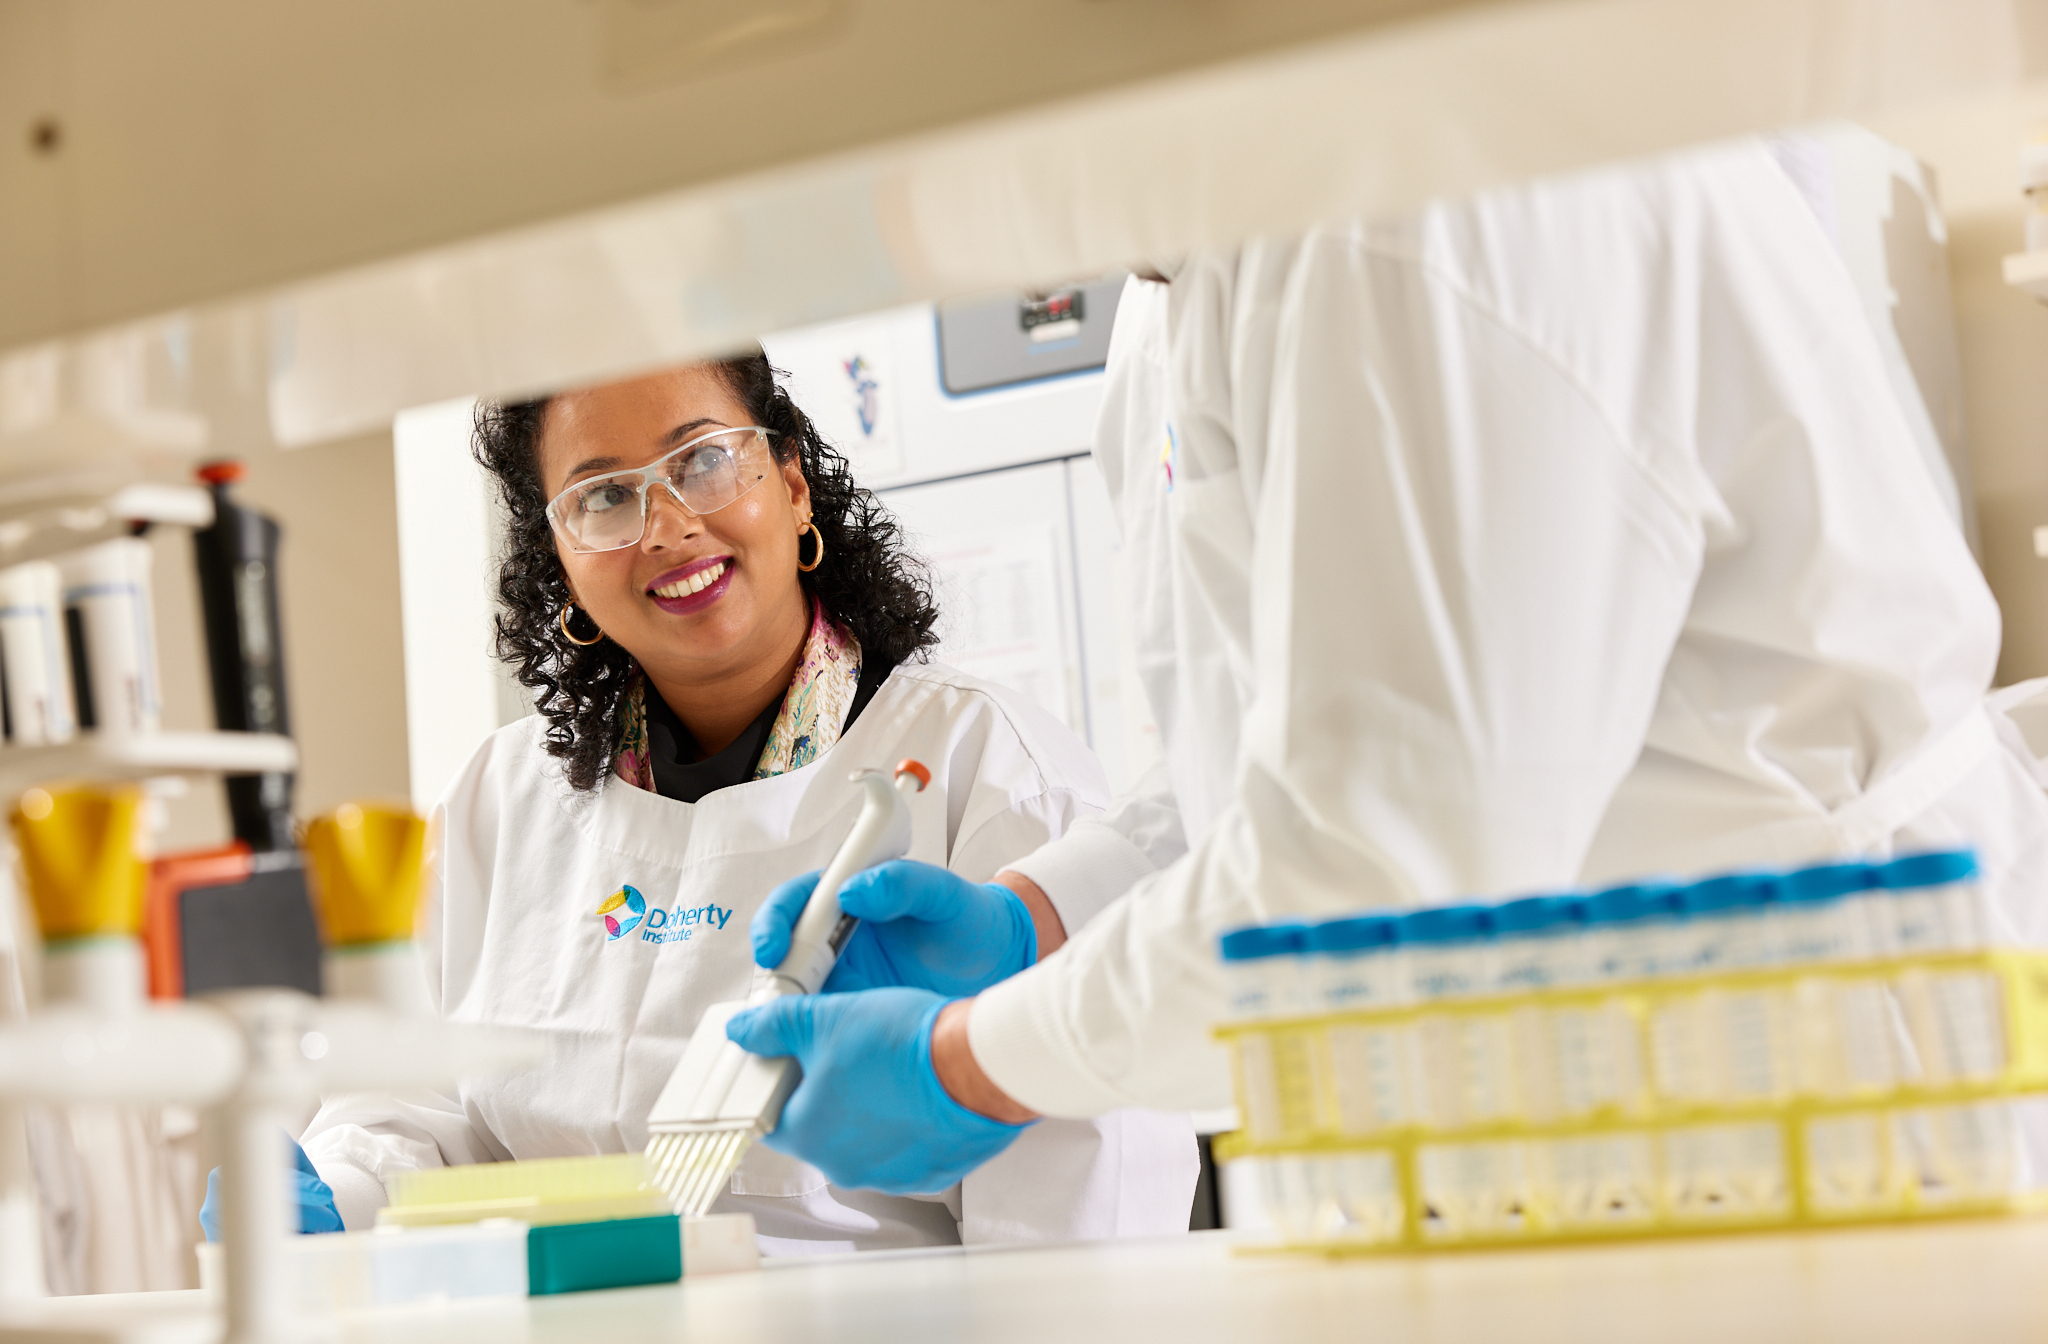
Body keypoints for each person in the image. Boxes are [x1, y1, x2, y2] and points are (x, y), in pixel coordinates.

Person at [721, 136, 2048, 1193]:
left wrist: (972, 1062)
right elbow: (1269, 760)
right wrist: (1034, 918)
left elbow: (1385, 857)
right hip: (1575, 1085)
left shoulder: (1415, 192)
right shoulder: (1179, 298)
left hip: (1819, 1057)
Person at [217, 354, 1196, 1253]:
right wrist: (335, 1192)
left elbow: (1091, 1193)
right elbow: (414, 1102)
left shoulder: (987, 765)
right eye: (603, 495)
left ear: (791, 482)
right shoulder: (498, 799)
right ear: (558, 555)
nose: (666, 525)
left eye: (701, 461)